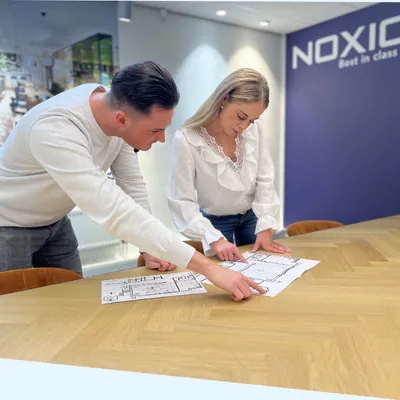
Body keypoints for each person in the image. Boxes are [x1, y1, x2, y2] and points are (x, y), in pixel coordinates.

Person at [0, 61, 265, 302]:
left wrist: (147, 246)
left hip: (57, 221)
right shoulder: (55, 129)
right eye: (155, 130)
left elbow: (132, 186)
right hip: (9, 224)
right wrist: (210, 269)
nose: (162, 138)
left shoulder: (115, 111)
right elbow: (114, 210)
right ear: (122, 120)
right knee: (15, 310)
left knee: (72, 301)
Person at [167, 68, 291, 262]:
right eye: (241, 116)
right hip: (215, 224)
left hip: (252, 217)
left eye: (252, 120)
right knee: (225, 275)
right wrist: (213, 238)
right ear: (224, 99)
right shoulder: (186, 139)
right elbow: (182, 200)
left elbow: (264, 177)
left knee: (263, 269)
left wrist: (265, 223)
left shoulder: (253, 130)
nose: (244, 126)